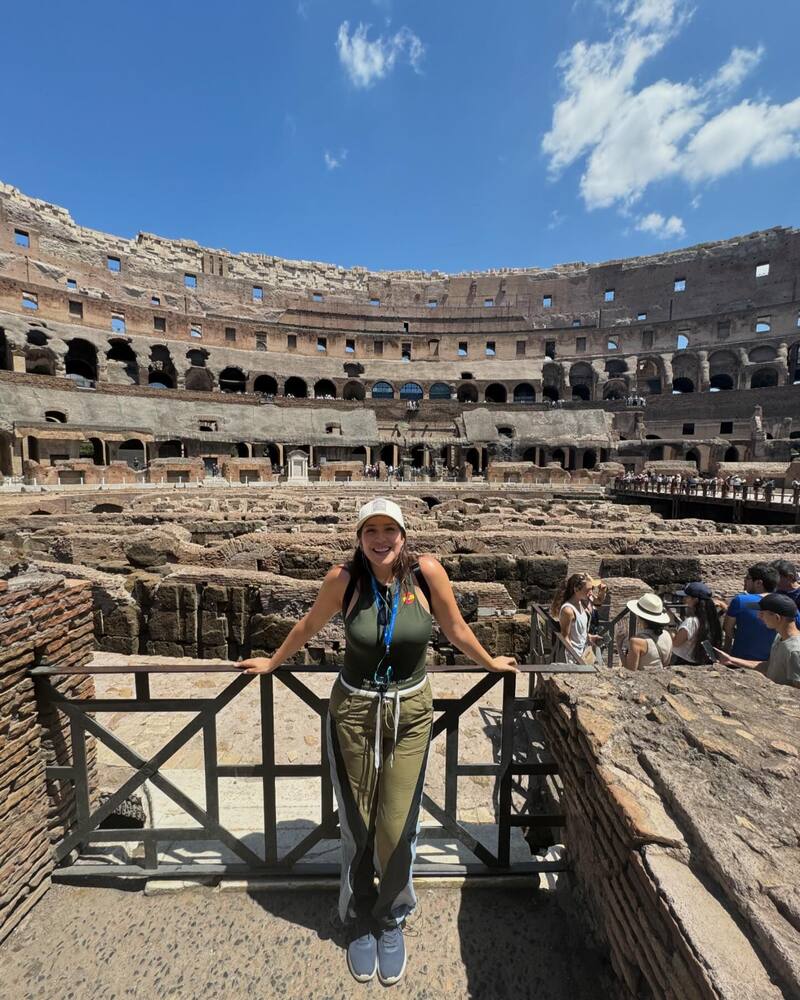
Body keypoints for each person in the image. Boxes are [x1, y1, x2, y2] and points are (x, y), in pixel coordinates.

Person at [237, 497, 517, 987]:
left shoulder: (427, 574)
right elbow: (308, 625)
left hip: (409, 714)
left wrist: (490, 661)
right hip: (353, 713)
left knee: (395, 825)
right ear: (359, 536)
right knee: (359, 823)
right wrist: (273, 662)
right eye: (372, 530)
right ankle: (360, 918)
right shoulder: (343, 579)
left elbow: (453, 627)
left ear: (404, 536)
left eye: (390, 529)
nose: (381, 539)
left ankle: (391, 917)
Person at [714, 594, 800, 688]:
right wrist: (731, 660)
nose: (759, 616)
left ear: (777, 618)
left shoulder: (795, 651)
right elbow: (769, 667)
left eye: (762, 613)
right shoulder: (780, 637)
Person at [723, 563, 781, 661]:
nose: (744, 581)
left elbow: (728, 629)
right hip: (773, 663)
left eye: (748, 578)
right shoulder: (785, 603)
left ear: (759, 583)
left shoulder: (740, 601)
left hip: (741, 660)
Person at [550, 573, 602, 664]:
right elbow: (565, 637)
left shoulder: (581, 603)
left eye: (591, 589)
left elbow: (578, 632)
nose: (591, 593)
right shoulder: (568, 610)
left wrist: (590, 637)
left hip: (584, 653)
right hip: (574, 659)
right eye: (588, 590)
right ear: (576, 589)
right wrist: (577, 658)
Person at [671, 582, 723, 665]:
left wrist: (671, 633)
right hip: (700, 662)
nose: (684, 599)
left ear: (695, 600)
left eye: (687, 597)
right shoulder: (712, 621)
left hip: (683, 661)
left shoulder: (691, 622)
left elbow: (676, 643)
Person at [617, 593, 673, 669]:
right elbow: (666, 663)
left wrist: (619, 647)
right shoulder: (667, 635)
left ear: (640, 617)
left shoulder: (637, 641)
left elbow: (630, 669)